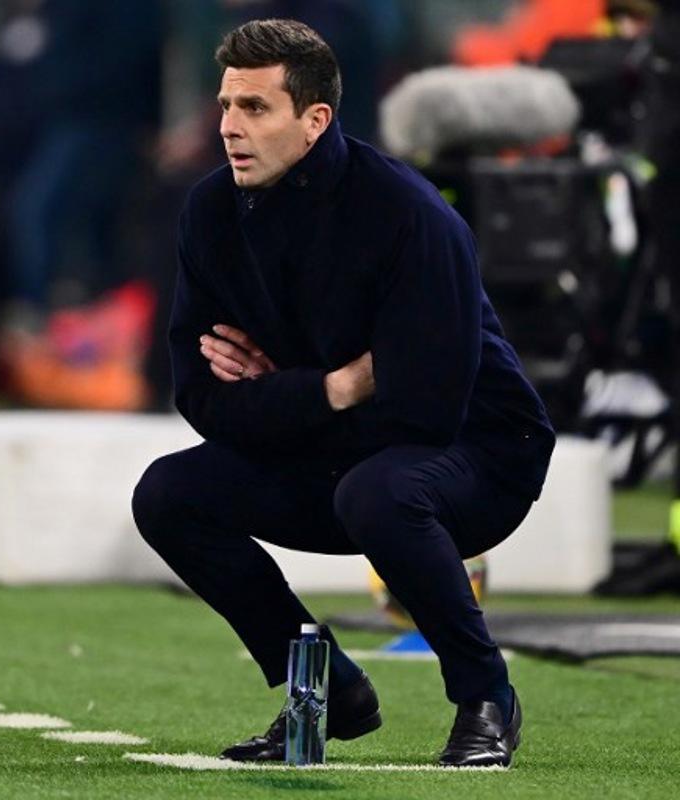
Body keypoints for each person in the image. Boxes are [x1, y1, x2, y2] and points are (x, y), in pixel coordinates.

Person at [131, 19, 555, 768]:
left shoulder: (410, 215)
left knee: (379, 493)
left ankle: (487, 697)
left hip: (481, 455)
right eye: (227, 104)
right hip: (337, 451)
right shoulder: (209, 212)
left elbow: (425, 408)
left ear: (315, 120)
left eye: (255, 109)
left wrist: (280, 396)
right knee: (169, 492)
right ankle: (327, 689)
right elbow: (199, 397)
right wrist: (335, 386)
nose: (229, 127)